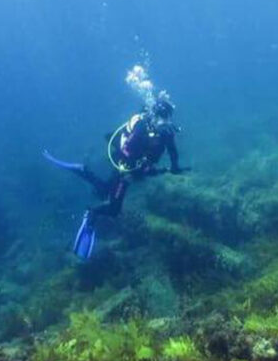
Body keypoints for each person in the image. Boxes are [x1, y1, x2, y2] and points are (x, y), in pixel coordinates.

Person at [43, 99, 186, 259]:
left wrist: (175, 166)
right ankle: (91, 214)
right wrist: (136, 169)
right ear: (154, 115)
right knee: (114, 208)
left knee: (104, 191)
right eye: (163, 117)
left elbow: (173, 151)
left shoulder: (166, 131)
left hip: (136, 168)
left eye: (167, 117)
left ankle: (83, 171)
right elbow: (127, 150)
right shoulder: (141, 127)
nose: (165, 121)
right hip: (124, 167)